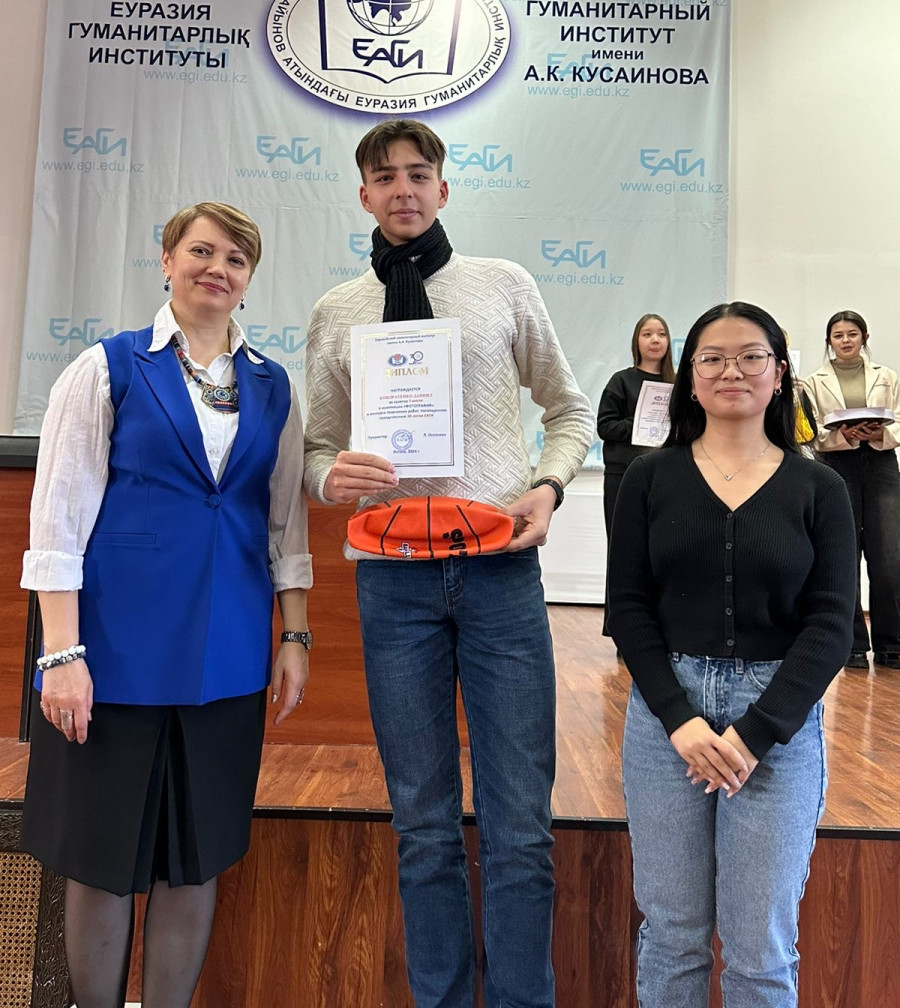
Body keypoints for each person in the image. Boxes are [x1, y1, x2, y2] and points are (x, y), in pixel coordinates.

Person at [303, 119, 593, 1008]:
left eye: (418, 174)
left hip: (500, 572)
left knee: (522, 828)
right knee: (423, 828)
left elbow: (570, 411)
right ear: (364, 195)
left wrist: (548, 486)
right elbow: (316, 450)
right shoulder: (337, 311)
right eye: (386, 177)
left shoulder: (502, 285)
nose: (404, 189)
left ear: (443, 187)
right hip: (393, 583)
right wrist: (329, 477)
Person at [21, 202, 312, 1008]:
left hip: (227, 658)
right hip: (114, 657)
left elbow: (284, 521)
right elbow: (57, 522)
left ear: (249, 279)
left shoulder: (273, 384)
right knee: (102, 858)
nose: (218, 269)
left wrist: (295, 634)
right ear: (166, 260)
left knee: (197, 859)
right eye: (201, 251)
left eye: (236, 259)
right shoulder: (106, 368)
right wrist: (61, 654)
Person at [607, 301, 855, 1008]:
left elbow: (832, 624)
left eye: (751, 356)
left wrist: (756, 732)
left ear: (779, 373)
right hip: (668, 724)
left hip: (776, 724)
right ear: (689, 377)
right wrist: (679, 718)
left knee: (760, 950)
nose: (732, 371)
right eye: (712, 358)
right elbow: (627, 607)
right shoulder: (650, 478)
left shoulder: (820, 488)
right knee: (672, 935)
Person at [803, 310, 900, 669]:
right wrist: (842, 435)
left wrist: (879, 433)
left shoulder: (886, 376)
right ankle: (853, 645)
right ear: (829, 341)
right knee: (843, 553)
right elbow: (811, 431)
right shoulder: (813, 382)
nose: (845, 340)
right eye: (838, 335)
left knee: (890, 555)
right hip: (836, 465)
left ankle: (892, 644)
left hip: (881, 462)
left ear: (864, 337)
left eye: (852, 334)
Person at [596, 313, 675, 629]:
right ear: (636, 341)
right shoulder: (621, 381)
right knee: (623, 551)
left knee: (663, 552)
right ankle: (621, 627)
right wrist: (641, 425)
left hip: (668, 476)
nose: (655, 340)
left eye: (661, 334)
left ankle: (659, 626)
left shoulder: (679, 384)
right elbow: (605, 426)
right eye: (647, 334)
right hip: (623, 475)